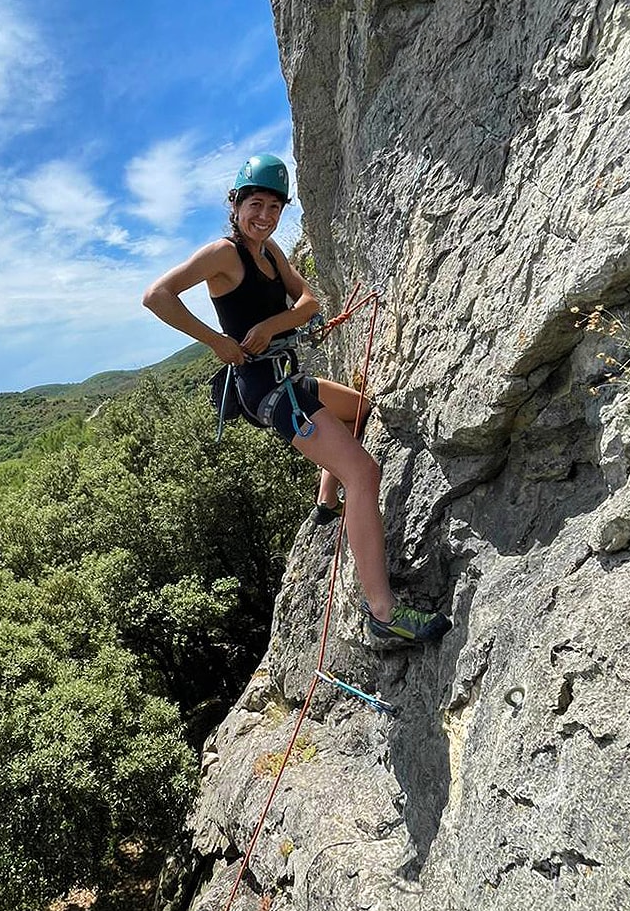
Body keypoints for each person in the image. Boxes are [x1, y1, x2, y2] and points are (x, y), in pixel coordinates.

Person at [142, 154, 450, 646]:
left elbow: (309, 301)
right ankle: (383, 612)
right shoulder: (226, 254)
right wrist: (218, 342)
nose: (264, 215)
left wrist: (270, 325)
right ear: (236, 204)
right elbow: (158, 295)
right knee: (365, 472)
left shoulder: (271, 254)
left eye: (274, 206)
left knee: (361, 410)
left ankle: (326, 500)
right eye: (255, 204)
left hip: (288, 374)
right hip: (267, 390)